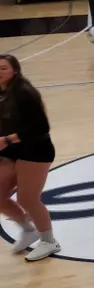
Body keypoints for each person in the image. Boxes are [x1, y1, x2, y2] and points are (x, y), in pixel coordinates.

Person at [0, 54, 60, 261]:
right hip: (12, 151)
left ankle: (49, 241)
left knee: (27, 198)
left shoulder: (24, 93)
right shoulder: (2, 91)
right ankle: (28, 230)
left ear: (15, 70)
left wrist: (7, 139)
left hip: (35, 150)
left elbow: (41, 127)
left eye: (3, 68)